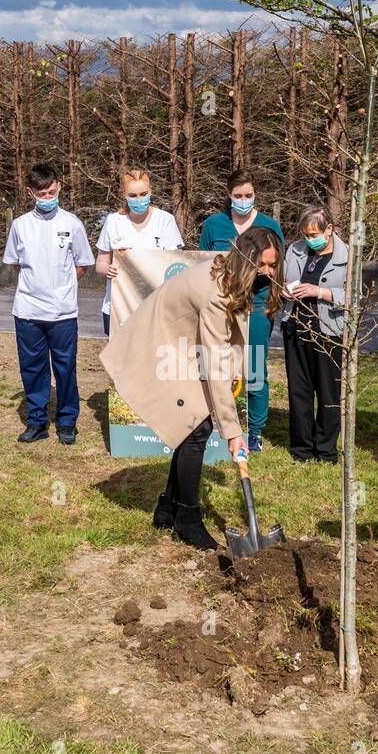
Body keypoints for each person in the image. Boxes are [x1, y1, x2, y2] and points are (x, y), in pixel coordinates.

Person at [102, 226, 281, 550]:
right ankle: (188, 517)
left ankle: (167, 507)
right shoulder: (216, 291)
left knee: (193, 427)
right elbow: (213, 361)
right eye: (264, 265)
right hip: (158, 345)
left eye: (272, 266)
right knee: (198, 428)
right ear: (246, 259)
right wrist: (233, 432)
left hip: (182, 345)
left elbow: (225, 345)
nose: (269, 273)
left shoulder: (233, 274)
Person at [2, 162, 94, 445]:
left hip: (63, 313)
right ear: (31, 192)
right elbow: (16, 265)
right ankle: (37, 421)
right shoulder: (19, 226)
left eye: (51, 192)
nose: (47, 198)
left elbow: (82, 264)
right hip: (28, 312)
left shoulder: (72, 224)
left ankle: (67, 421)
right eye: (41, 194)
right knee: (33, 367)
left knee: (65, 367)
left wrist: (60, 287)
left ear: (59, 187)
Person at [198, 169, 285, 453]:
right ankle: (220, 424)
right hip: (222, 303)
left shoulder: (269, 224)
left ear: (255, 194)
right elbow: (202, 264)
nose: (243, 201)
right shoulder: (214, 225)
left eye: (248, 196)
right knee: (218, 363)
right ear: (229, 195)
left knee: (254, 367)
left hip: (257, 304)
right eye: (238, 196)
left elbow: (277, 267)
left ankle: (255, 430)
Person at [279, 206, 348, 463]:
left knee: (329, 392)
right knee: (299, 391)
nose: (310, 239)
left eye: (315, 233)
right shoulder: (295, 250)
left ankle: (326, 450)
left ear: (329, 229)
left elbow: (356, 297)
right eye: (306, 234)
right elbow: (283, 279)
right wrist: (284, 291)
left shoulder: (347, 256)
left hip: (329, 331)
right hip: (295, 327)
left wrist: (319, 292)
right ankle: (301, 449)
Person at [94, 169, 185, 336]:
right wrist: (107, 269)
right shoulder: (113, 221)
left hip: (155, 309)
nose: (139, 199)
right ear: (125, 195)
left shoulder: (165, 220)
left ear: (150, 191)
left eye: (143, 194)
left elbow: (175, 266)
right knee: (120, 360)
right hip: (118, 307)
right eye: (133, 195)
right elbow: (100, 263)